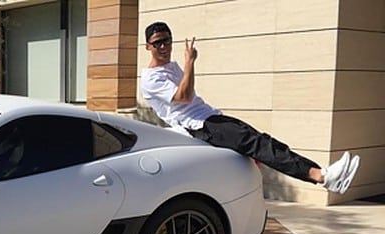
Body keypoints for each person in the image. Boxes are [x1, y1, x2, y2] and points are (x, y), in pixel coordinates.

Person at [140, 22, 360, 194]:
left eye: (167, 41)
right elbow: (184, 97)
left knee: (264, 142)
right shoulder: (151, 78)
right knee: (259, 145)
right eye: (157, 42)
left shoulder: (171, 66)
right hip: (199, 125)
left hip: (211, 117)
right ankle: (323, 176)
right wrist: (190, 63)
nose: (163, 47)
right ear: (148, 46)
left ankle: (324, 176)